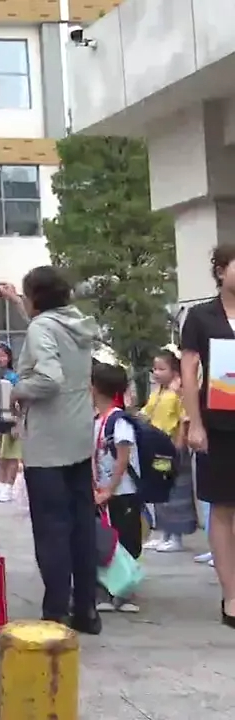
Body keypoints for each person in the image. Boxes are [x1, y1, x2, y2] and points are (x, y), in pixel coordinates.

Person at [0, 270, 101, 633]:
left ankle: (56, 610)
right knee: (81, 526)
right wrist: (15, 300)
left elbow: (49, 377)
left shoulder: (42, 328)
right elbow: (45, 330)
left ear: (37, 298)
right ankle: (86, 609)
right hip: (78, 436)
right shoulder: (74, 322)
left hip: (47, 443)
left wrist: (18, 390)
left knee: (51, 529)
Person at [179, 244, 235, 628]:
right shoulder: (200, 317)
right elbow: (188, 373)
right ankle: (231, 595)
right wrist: (195, 423)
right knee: (224, 507)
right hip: (219, 424)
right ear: (220, 271)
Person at [90, 362, 142, 613]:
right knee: (105, 543)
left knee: (125, 541)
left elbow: (123, 458)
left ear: (95, 388)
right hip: (103, 493)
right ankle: (106, 589)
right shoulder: (97, 420)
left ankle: (126, 593)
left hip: (123, 493)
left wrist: (110, 488)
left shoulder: (118, 421)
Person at [143, 348, 194, 552]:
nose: (156, 373)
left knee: (176, 491)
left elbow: (184, 418)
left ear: (174, 371)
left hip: (172, 446)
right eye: (154, 369)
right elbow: (146, 413)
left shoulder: (178, 393)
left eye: (161, 368)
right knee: (160, 489)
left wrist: (180, 442)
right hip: (157, 448)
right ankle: (164, 533)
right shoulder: (157, 392)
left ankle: (176, 536)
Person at [0, 343, 24, 503]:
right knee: (2, 456)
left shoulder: (13, 377)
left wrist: (17, 421)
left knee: (13, 455)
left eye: (3, 355)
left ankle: (9, 487)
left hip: (13, 419)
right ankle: (0, 485)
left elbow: (20, 401)